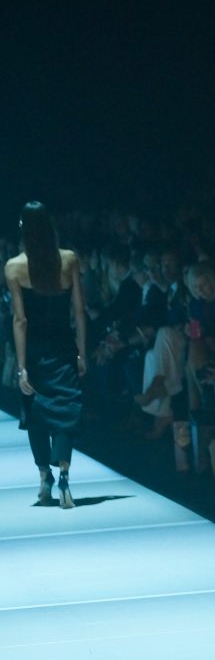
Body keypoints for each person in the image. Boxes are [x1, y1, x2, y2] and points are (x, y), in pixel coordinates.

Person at [5, 202, 86, 508]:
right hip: (63, 346)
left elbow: (20, 320)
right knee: (65, 410)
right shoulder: (69, 259)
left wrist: (21, 367)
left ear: (23, 227)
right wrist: (81, 353)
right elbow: (79, 311)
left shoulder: (14, 267)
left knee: (36, 412)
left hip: (35, 350)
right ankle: (63, 474)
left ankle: (44, 478)